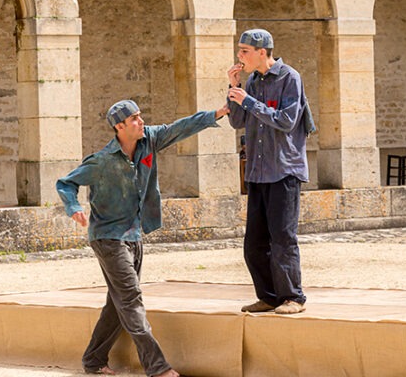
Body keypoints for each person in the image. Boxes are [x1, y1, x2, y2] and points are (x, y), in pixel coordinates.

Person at [57, 100, 229, 376]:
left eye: (140, 116)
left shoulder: (150, 141)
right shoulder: (100, 161)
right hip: (108, 238)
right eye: (134, 119)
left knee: (118, 302)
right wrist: (74, 208)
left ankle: (93, 359)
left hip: (134, 235)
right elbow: (66, 183)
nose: (141, 122)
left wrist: (216, 114)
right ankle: (157, 367)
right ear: (119, 127)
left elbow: (180, 128)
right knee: (131, 298)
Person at [226, 28, 315, 315]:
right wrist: (234, 89)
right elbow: (237, 121)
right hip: (257, 171)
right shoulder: (251, 81)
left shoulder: (290, 78)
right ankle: (268, 297)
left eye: (244, 51)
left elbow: (287, 120)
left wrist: (249, 101)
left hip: (284, 170)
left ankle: (293, 297)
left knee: (282, 239)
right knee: (254, 243)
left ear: (262, 52)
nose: (240, 56)